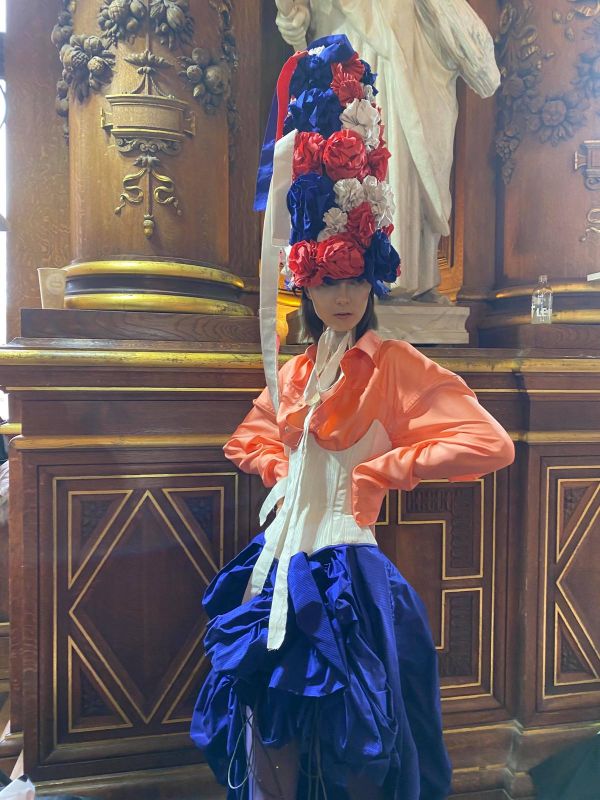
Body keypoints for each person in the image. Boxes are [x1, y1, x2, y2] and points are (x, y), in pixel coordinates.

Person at [191, 36, 514, 799]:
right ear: (306, 284)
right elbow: (248, 437)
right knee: (269, 731)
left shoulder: (394, 365)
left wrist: (383, 470)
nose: (343, 296)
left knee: (357, 744)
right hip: (280, 562)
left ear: (374, 281)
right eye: (329, 281)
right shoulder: (299, 370)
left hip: (350, 574)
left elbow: (490, 442)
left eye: (356, 279)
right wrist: (281, 469)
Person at [275, 0, 500, 301]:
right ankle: (347, 277)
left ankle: (408, 275)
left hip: (409, 41)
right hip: (344, 41)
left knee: (402, 152)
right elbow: (300, 21)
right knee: (347, 159)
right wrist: (296, 18)